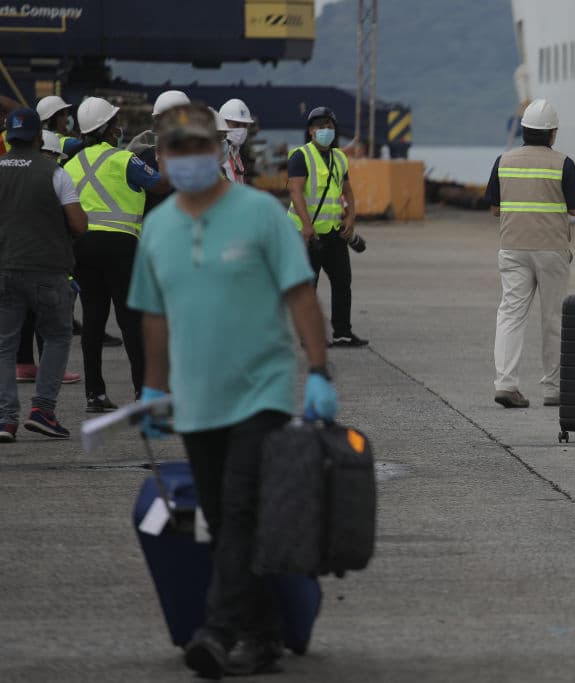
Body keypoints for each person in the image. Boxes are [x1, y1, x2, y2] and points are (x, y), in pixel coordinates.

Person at [128, 103, 338, 678]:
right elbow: (154, 315)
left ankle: (218, 632)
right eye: (178, 150)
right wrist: (153, 386)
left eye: (201, 146)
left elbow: (299, 294)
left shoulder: (259, 215)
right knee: (224, 518)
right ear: (163, 161)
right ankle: (266, 633)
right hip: (197, 399)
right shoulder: (159, 229)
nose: (191, 158)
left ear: (217, 150)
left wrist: (318, 371)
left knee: (242, 507)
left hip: (260, 390)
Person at [64, 96, 170, 413]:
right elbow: (160, 186)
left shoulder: (70, 165)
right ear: (108, 129)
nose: (119, 129)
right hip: (120, 246)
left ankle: (94, 395)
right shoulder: (123, 159)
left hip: (81, 247)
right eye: (115, 123)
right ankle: (143, 395)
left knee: (93, 321)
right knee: (130, 320)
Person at [484, 99, 575, 408]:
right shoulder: (563, 163)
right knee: (553, 318)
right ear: (553, 133)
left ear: (524, 130)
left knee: (510, 315)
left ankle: (506, 383)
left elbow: (494, 208)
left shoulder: (503, 161)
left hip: (513, 247)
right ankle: (553, 388)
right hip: (551, 250)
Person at [0, 108, 88, 441]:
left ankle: (5, 420)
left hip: (4, 269)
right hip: (48, 270)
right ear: (38, 137)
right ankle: (43, 411)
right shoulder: (55, 172)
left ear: (8, 136)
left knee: (4, 347)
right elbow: (79, 224)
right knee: (56, 336)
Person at [286, 106, 368, 347]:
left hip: (333, 233)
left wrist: (350, 219)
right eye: (320, 127)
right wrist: (307, 226)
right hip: (308, 235)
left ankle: (342, 332)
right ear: (311, 131)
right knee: (308, 287)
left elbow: (348, 192)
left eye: (329, 127)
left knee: (342, 282)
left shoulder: (340, 157)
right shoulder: (301, 156)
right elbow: (295, 191)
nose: (325, 131)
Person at [15, 131, 83, 386]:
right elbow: (75, 223)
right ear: (51, 154)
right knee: (51, 314)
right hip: (46, 258)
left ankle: (23, 365)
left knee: (24, 313)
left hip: (15, 257)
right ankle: (48, 368)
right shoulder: (54, 177)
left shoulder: (14, 175)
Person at [218, 98, 254, 184]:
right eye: (236, 124)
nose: (241, 130)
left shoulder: (236, 152)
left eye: (245, 125)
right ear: (223, 123)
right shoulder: (216, 154)